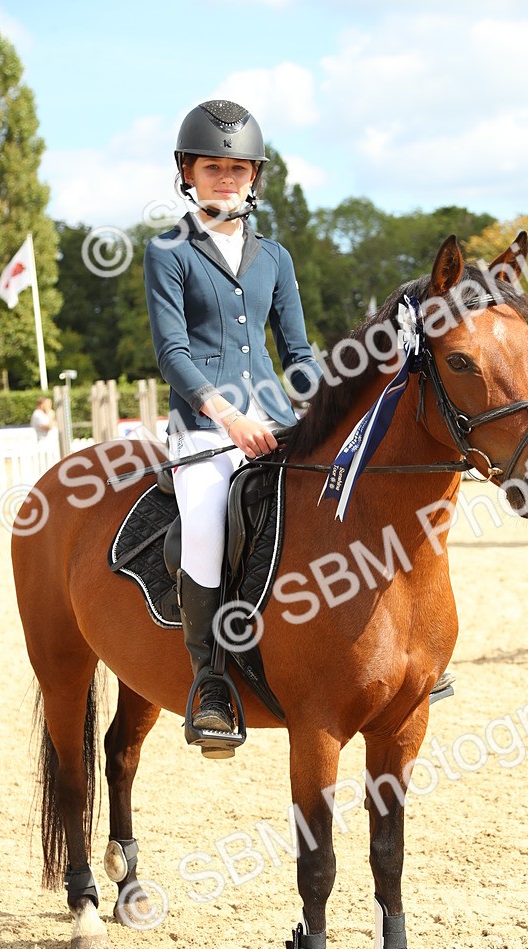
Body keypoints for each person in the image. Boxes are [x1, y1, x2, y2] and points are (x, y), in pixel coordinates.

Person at [143, 99, 321, 752]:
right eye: (213, 167)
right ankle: (210, 684)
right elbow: (174, 353)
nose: (226, 177)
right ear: (188, 173)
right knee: (206, 527)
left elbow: (298, 354)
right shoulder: (168, 253)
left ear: (255, 177)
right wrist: (228, 416)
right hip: (204, 428)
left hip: (275, 419)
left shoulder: (275, 256)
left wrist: (325, 408)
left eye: (238, 168)